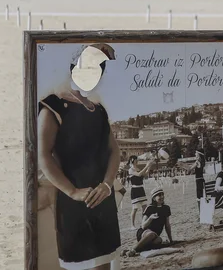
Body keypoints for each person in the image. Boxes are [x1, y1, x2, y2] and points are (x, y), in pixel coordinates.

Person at [37, 45, 121, 270]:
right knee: (79, 265)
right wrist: (72, 191)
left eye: (98, 70)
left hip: (103, 199)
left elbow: (114, 151)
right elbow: (43, 155)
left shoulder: (98, 110)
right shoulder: (53, 106)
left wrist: (107, 184)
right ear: (73, 68)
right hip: (74, 202)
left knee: (103, 264)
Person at [124, 187, 173, 257]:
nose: (162, 197)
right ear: (154, 198)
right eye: (159, 195)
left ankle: (129, 250)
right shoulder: (149, 208)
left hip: (155, 235)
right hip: (144, 232)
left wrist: (171, 240)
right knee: (151, 234)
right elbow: (143, 225)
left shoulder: (166, 208)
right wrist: (150, 218)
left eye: (162, 194)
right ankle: (133, 250)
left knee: (159, 240)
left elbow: (167, 225)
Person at [128, 155, 155, 229]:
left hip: (141, 189)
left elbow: (145, 175)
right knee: (135, 208)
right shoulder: (131, 170)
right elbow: (139, 174)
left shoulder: (138, 168)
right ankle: (132, 225)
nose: (137, 161)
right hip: (135, 190)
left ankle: (143, 223)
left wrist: (149, 166)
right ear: (132, 161)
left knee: (144, 208)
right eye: (136, 160)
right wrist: (146, 165)